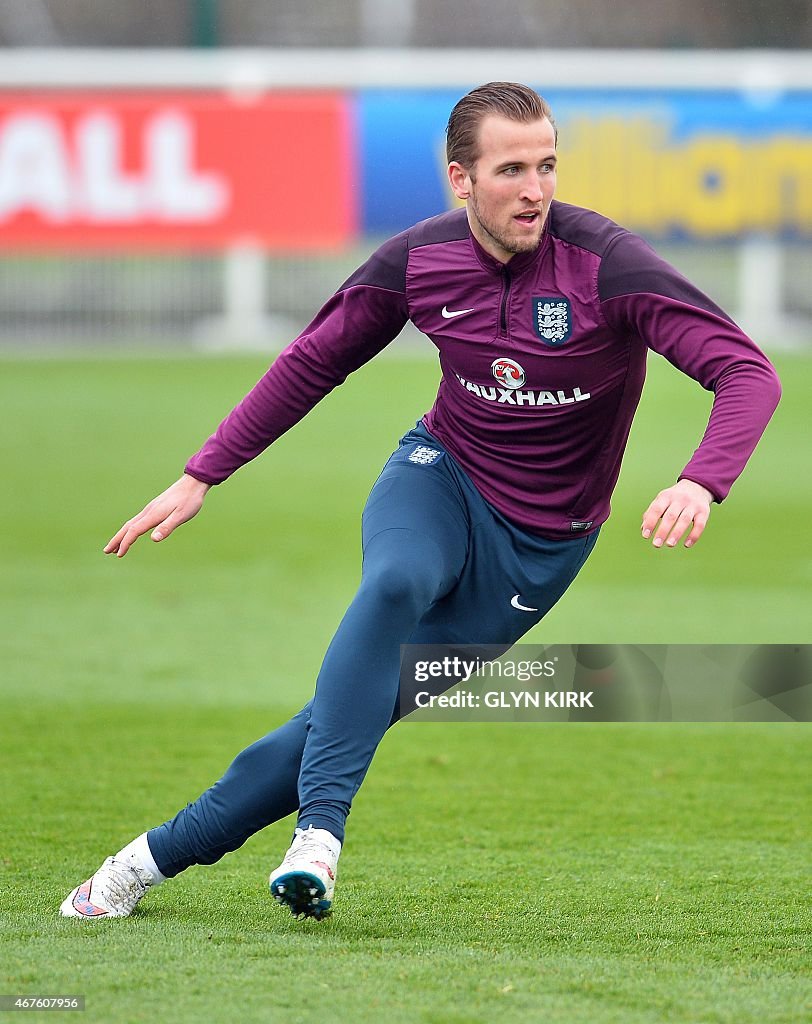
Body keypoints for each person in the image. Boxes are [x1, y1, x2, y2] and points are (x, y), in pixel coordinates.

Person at [60, 82, 780, 921]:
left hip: (539, 550)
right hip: (438, 474)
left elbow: (745, 371)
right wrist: (203, 472)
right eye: (511, 168)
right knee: (394, 580)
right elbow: (312, 361)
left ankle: (137, 866)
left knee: (333, 723)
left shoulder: (606, 264)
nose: (536, 188)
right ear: (461, 179)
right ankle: (319, 838)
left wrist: (702, 476)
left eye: (547, 165)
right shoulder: (418, 259)